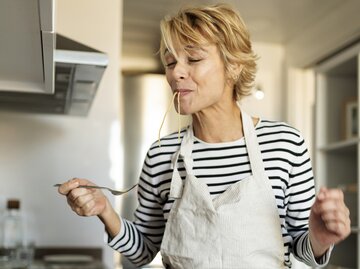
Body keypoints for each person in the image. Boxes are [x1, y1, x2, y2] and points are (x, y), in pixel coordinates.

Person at [58, 3, 351, 268]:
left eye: (193, 59)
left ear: (234, 66)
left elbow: (303, 251)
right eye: (170, 62)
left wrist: (321, 238)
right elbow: (144, 250)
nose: (176, 73)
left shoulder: (285, 144)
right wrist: (105, 210)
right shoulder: (162, 154)